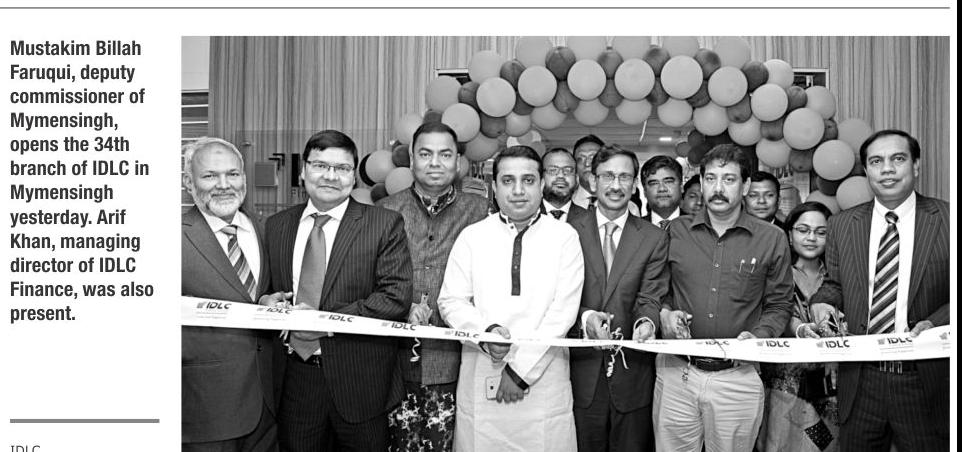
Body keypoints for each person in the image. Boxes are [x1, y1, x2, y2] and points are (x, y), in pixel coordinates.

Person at [260, 130, 413, 451]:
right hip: (296, 379)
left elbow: (395, 298)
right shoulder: (277, 226)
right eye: (320, 165)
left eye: (342, 168)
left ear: (353, 176)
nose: (330, 176)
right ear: (303, 171)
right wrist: (266, 300)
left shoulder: (384, 224)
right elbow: (269, 290)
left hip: (360, 380)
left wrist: (324, 321)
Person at [809, 129, 949, 452]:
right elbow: (834, 285)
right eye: (876, 161)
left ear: (916, 165)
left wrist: (937, 322)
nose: (887, 169)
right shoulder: (842, 224)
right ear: (866, 170)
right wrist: (822, 303)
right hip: (861, 380)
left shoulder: (948, 219)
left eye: (897, 159)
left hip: (925, 380)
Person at [437, 145, 584, 452]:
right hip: (483, 374)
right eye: (508, 181)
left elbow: (562, 314)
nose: (518, 191)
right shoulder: (473, 236)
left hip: (544, 383)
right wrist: (486, 333)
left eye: (528, 180)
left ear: (541, 184)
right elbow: (451, 300)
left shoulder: (565, 237)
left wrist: (519, 373)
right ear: (494, 186)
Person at [656, 144, 793, 452]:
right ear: (701, 182)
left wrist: (759, 336)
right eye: (711, 179)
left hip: (738, 376)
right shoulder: (674, 231)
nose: (718, 189)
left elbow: (779, 303)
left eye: (729, 179)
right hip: (677, 374)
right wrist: (665, 313)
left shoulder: (771, 238)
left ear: (745, 186)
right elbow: (658, 290)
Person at [377, 122, 489, 452]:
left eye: (445, 154)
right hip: (393, 364)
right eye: (425, 154)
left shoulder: (480, 212)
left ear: (458, 162)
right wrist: (401, 307)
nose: (435, 163)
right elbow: (367, 280)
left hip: (455, 362)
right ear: (412, 160)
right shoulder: (384, 212)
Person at [568, 144, 669, 452]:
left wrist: (646, 323)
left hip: (633, 371)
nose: (616, 185)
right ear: (592, 181)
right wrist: (586, 318)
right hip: (581, 371)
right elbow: (557, 297)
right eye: (608, 176)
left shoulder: (653, 237)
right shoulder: (567, 232)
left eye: (624, 177)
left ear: (634, 183)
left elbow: (650, 294)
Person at [181, 137, 278, 452]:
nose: (224, 185)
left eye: (232, 174)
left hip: (269, 406)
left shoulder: (267, 229)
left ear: (244, 179)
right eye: (210, 175)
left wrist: (266, 304)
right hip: (205, 409)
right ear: (188, 182)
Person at [757, 201, 840, 452]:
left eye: (821, 232)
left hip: (831, 381)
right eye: (803, 230)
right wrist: (800, 329)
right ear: (790, 235)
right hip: (785, 381)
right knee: (782, 442)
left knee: (827, 443)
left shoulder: (840, 278)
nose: (811, 238)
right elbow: (771, 316)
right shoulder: (775, 273)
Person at [571, 135, 640, 216]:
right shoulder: (565, 205)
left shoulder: (631, 208)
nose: (587, 163)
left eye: (593, 157)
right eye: (580, 159)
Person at [541, 146, 588, 222]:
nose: (561, 176)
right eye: (553, 170)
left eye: (567, 170)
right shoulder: (525, 215)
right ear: (541, 177)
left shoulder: (591, 219)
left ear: (577, 179)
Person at [639, 155, 683, 228]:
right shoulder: (631, 230)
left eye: (668, 182)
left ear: (681, 186)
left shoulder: (699, 228)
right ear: (644, 191)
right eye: (654, 183)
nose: (662, 189)